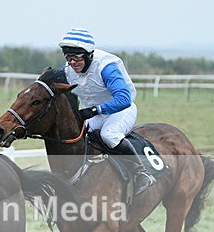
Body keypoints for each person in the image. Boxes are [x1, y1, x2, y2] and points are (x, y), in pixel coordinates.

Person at [59, 28, 155, 196]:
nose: (72, 62)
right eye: (68, 57)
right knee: (74, 133)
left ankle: (142, 173)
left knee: (109, 135)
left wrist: (95, 110)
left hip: (121, 110)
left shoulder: (106, 67)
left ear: (89, 55)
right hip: (95, 113)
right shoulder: (67, 70)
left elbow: (124, 98)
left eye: (76, 58)